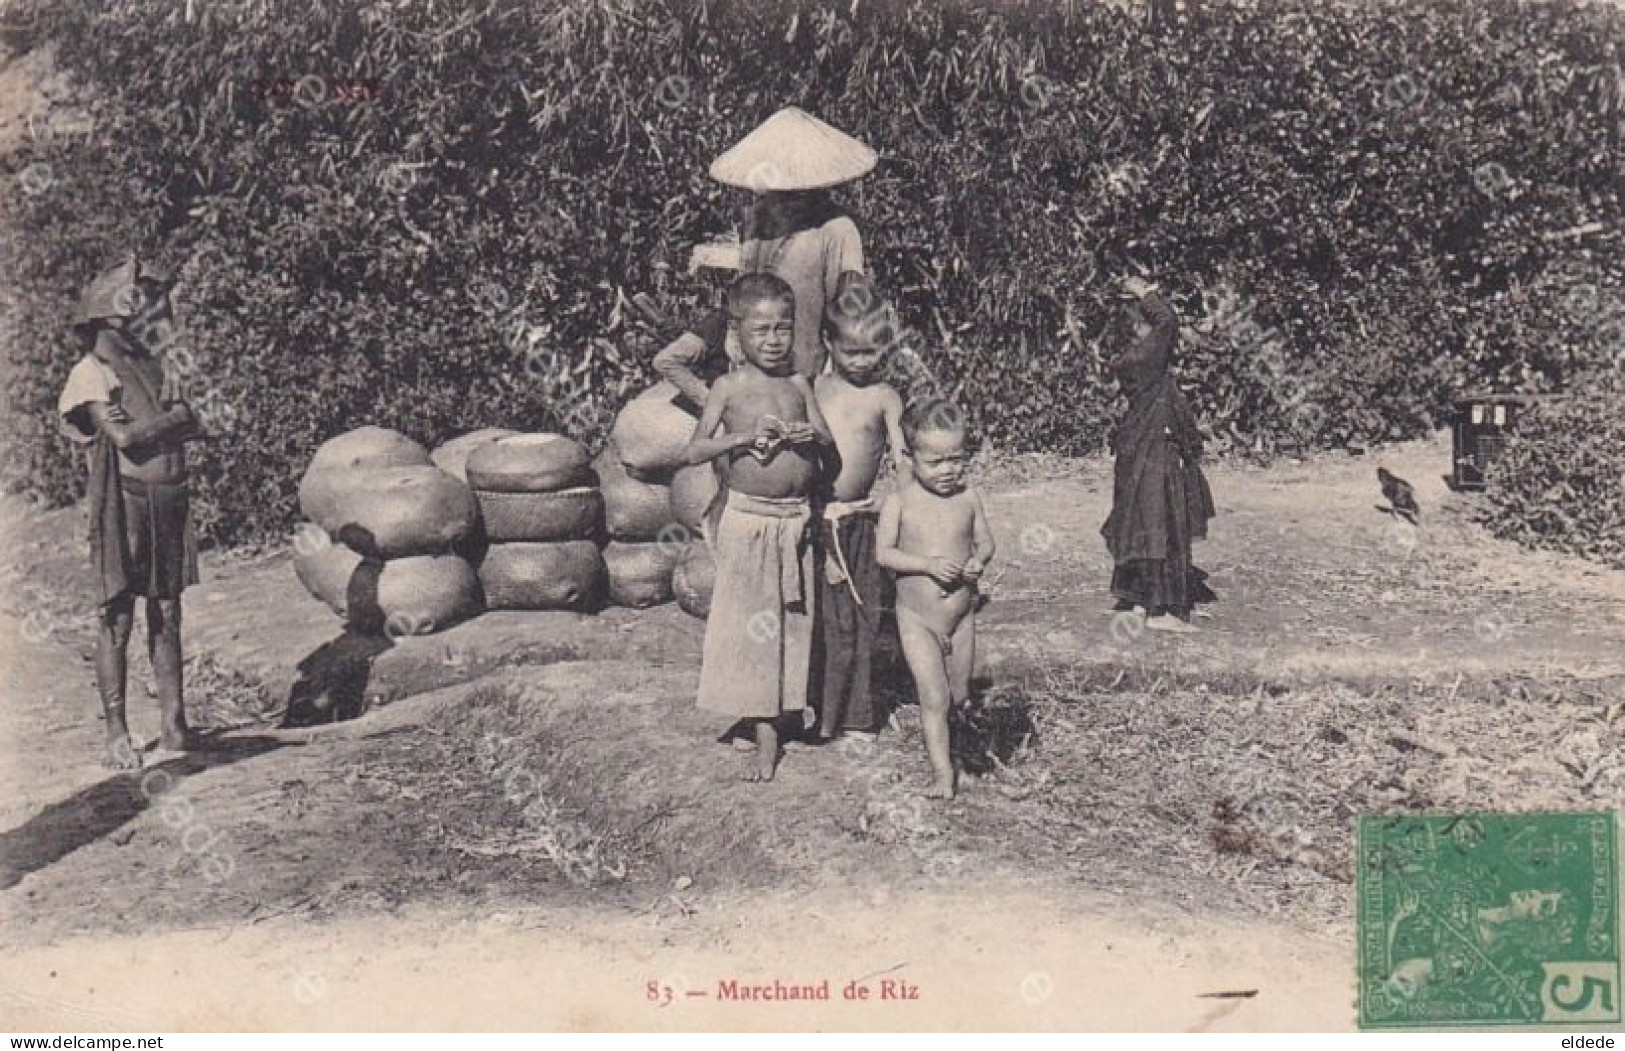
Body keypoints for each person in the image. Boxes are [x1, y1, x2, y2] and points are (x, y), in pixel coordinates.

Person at [683, 273, 834, 782]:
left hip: (795, 520)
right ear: (737, 332)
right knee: (750, 625)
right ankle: (763, 726)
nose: (773, 341)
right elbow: (695, 449)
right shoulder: (729, 386)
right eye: (762, 330)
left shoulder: (798, 384)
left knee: (792, 621)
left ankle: (783, 710)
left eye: (783, 329)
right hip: (748, 521)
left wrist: (807, 433)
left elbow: (828, 443)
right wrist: (744, 439)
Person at [56, 256, 203, 768]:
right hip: (123, 501)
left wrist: (169, 422)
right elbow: (122, 437)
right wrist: (172, 420)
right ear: (107, 323)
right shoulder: (90, 372)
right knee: (117, 612)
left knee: (167, 609)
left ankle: (174, 724)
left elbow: (195, 420)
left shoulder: (161, 366)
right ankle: (117, 732)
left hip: (167, 494)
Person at [876, 399, 994, 799]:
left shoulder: (968, 497)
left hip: (961, 617)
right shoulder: (901, 501)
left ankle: (957, 755)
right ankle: (943, 776)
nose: (949, 471)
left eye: (956, 460)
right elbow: (884, 554)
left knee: (959, 697)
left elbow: (986, 541)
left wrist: (978, 562)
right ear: (909, 458)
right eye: (936, 462)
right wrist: (926, 564)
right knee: (935, 697)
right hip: (917, 619)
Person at [708, 106, 874, 377]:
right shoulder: (756, 218)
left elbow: (848, 304)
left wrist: (836, 368)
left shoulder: (836, 229)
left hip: (803, 366)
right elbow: (744, 279)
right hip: (748, 363)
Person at [810, 275, 906, 742]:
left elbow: (903, 457)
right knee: (824, 621)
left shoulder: (885, 396)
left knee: (865, 616)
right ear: (829, 343)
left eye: (874, 351)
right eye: (853, 352)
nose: (865, 362)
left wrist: (896, 502)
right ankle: (814, 708)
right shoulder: (813, 389)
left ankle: (859, 715)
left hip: (862, 520)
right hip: (817, 519)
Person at [1100, 275, 1216, 633]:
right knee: (1162, 521)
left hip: (1138, 446)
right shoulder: (1145, 359)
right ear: (1137, 328)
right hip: (1154, 449)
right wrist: (1145, 292)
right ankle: (1161, 611)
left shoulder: (1132, 359)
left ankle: (1134, 599)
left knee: (1139, 518)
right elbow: (1169, 320)